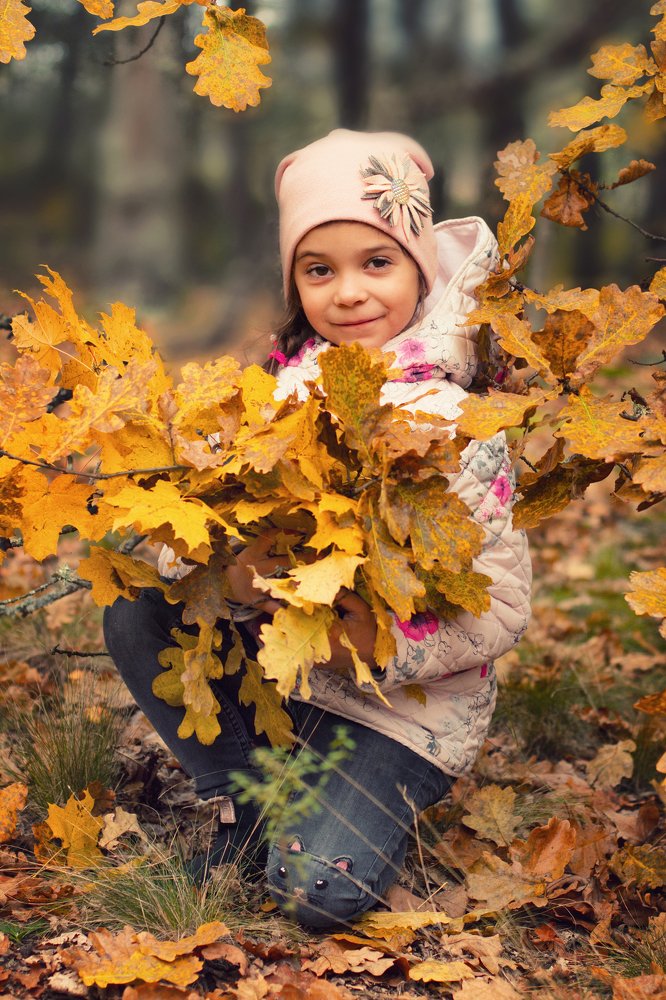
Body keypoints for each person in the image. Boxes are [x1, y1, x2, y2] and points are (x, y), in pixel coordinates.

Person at [103, 129, 532, 929]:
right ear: (295, 280)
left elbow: (502, 607)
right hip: (284, 678)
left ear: (419, 266)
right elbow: (179, 533)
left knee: (315, 895)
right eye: (318, 269)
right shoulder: (270, 397)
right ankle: (247, 798)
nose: (349, 293)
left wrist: (383, 640)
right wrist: (225, 572)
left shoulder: (454, 419)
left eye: (377, 263)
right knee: (135, 610)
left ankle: (346, 803)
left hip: (400, 708)